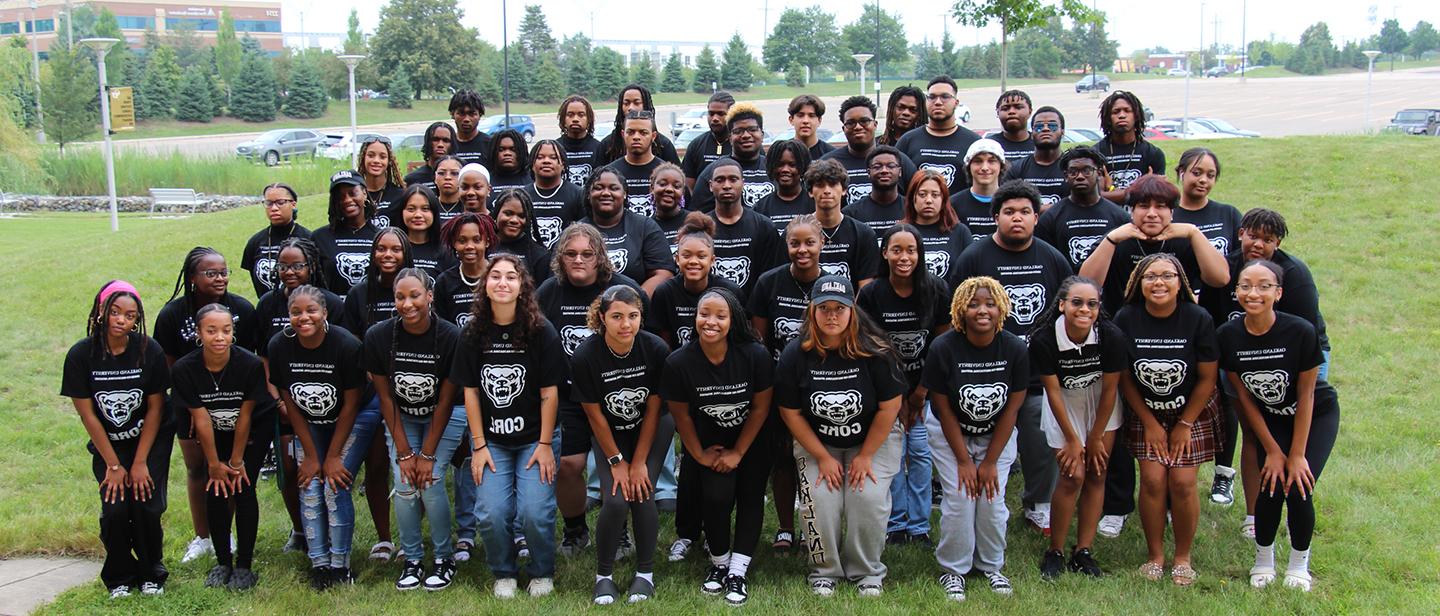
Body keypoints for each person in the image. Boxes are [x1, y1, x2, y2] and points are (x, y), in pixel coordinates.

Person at [949, 180, 1074, 536]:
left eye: (1024, 212)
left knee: (1039, 436)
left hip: (1036, 374)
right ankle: (968, 494)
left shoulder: (1052, 258)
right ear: (995, 217)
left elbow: (1063, 316)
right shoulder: (974, 258)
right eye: (1008, 212)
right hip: (982, 373)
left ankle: (1038, 503)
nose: (1016, 219)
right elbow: (958, 312)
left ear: (1036, 217)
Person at [775, 275, 906, 597]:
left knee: (867, 498)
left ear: (852, 311)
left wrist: (864, 457)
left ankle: (867, 571)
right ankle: (825, 569)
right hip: (818, 441)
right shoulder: (795, 354)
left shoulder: (875, 351)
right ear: (812, 312)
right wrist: (821, 457)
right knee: (819, 499)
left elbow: (890, 409)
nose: (831, 315)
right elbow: (790, 413)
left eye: (839, 308)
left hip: (873, 440)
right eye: (824, 309)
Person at [1200, 208, 1330, 529]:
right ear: (1240, 233)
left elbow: (1307, 334)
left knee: (1290, 432)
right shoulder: (1225, 268)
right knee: (1256, 435)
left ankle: (1294, 499)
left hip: (1295, 359)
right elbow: (1210, 319)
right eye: (1253, 236)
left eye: (1267, 239)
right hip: (1241, 358)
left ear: (1278, 243)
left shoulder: (1294, 275)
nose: (1258, 244)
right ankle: (1255, 516)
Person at [1218, 260, 1339, 592]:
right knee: (1269, 487)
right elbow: (1242, 398)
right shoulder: (1227, 336)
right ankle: (1263, 560)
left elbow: (1307, 394)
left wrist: (1296, 454)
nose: (1253, 292)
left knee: (1299, 485)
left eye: (1263, 286)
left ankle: (1299, 566)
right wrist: (1271, 449)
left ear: (1278, 293)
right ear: (1237, 291)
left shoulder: (1300, 331)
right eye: (1245, 286)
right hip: (1269, 418)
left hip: (1315, 415)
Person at [452, 254, 564, 599]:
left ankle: (541, 571)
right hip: (492, 442)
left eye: (511, 277)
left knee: (535, 511)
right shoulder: (472, 332)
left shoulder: (541, 330)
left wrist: (545, 445)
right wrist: (478, 445)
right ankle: (504, 571)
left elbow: (550, 393)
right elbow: (470, 393)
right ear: (484, 285)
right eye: (495, 276)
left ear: (522, 286)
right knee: (490, 512)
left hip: (536, 439)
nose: (503, 282)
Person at [536, 224, 647, 556]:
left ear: (600, 256)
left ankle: (620, 528)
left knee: (619, 462)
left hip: (616, 393)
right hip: (567, 395)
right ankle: (575, 529)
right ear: (560, 257)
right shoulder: (548, 293)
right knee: (568, 464)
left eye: (587, 253)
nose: (579, 260)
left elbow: (642, 341)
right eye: (570, 254)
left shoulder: (625, 289)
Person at [1113, 254, 1222, 586]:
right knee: (1152, 480)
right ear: (1138, 283)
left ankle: (1183, 557)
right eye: (1150, 276)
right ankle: (1155, 555)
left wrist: (1184, 425)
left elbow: (1207, 378)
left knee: (1183, 483)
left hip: (1192, 411)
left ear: (1181, 283)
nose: (1158, 282)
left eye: (1167, 276)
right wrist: (1148, 422)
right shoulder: (1126, 317)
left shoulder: (1198, 317)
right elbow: (1125, 377)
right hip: (1146, 410)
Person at [663, 288, 775, 606]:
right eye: (704, 314)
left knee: (750, 497)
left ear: (733, 319)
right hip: (709, 443)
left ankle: (738, 571)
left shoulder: (754, 355)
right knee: (716, 497)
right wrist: (697, 454)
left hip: (752, 441)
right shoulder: (679, 362)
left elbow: (760, 408)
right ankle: (719, 565)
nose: (710, 321)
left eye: (720, 316)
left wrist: (739, 452)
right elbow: (681, 414)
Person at [922, 276, 1029, 601]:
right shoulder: (944, 347)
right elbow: (942, 408)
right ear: (960, 309)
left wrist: (991, 462)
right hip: (949, 432)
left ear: (1001, 309)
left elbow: (1012, 409)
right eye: (973, 304)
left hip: (996, 433)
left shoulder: (1013, 347)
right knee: (959, 499)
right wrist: (966, 463)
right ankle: (954, 569)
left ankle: (991, 565)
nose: (982, 310)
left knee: (992, 500)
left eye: (990, 303)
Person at [62, 281, 171, 599]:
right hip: (109, 444)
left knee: (147, 506)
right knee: (115, 509)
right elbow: (88, 416)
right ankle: (119, 576)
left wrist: (139, 463)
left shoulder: (148, 350)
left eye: (130, 315)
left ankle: (152, 572)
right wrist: (113, 464)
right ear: (101, 311)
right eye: (115, 312)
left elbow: (155, 408)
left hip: (149, 441)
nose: (122, 319)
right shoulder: (81, 354)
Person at [363, 268, 466, 591]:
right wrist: (406, 452)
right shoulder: (378, 336)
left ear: (429, 296)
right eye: (400, 297)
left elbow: (447, 401)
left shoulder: (451, 336)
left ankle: (444, 558)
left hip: (447, 414)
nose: (407, 304)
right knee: (406, 482)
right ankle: (412, 558)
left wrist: (427, 454)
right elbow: (385, 397)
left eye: (415, 295)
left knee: (431, 480)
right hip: (402, 415)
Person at [572, 286, 676, 604]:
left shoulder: (655, 348)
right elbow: (594, 416)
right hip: (609, 431)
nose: (625, 324)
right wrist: (618, 462)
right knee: (616, 500)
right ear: (602, 317)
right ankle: (604, 577)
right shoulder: (586, 355)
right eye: (617, 316)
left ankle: (645, 574)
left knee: (642, 492)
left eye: (633, 316)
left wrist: (639, 462)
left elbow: (655, 409)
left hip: (652, 428)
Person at [265, 285, 372, 590]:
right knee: (309, 485)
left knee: (334, 485)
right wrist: (312, 456)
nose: (303, 317)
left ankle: (340, 566)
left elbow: (352, 404)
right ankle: (319, 565)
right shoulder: (279, 346)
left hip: (354, 416)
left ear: (325, 313)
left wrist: (333, 456)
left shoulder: (346, 344)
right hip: (308, 418)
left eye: (311, 310)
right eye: (295, 312)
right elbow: (290, 403)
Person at [153, 247, 256, 565]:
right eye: (211, 273)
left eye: (224, 272)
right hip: (190, 403)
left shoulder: (241, 308)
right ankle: (203, 536)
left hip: (235, 405)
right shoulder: (172, 314)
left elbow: (250, 358)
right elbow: (166, 364)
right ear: (192, 278)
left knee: (232, 468)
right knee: (199, 468)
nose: (220, 277)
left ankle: (227, 533)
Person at [857, 224, 951, 546]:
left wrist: (920, 394)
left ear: (920, 254)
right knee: (894, 455)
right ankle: (896, 523)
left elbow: (941, 345)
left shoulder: (936, 289)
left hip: (926, 389)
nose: (904, 257)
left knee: (921, 454)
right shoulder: (871, 294)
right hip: (888, 392)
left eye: (911, 250)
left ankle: (920, 524)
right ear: (885, 253)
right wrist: (898, 397)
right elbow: (871, 348)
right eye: (896, 250)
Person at [1027, 276, 1125, 579]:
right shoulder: (1044, 339)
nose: (1085, 309)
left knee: (1097, 472)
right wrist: (1072, 439)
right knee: (1072, 476)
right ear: (1062, 305)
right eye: (1077, 302)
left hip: (1101, 405)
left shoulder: (1110, 335)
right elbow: (1053, 392)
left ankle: (1083, 550)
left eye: (1092, 304)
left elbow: (1110, 389)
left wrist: (1095, 436)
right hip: (1064, 405)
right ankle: (1054, 550)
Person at [172, 303, 275, 591]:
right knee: (215, 487)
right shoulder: (185, 369)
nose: (219, 337)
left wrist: (237, 461)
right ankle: (222, 562)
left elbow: (245, 415)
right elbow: (201, 419)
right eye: (211, 330)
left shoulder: (249, 364)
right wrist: (215, 464)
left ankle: (244, 565)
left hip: (252, 431)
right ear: (198, 333)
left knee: (242, 487)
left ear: (233, 333)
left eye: (226, 331)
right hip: (214, 431)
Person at [252, 238, 343, 553]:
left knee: (328, 468)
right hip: (284, 403)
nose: (289, 272)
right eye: (283, 266)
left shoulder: (333, 302)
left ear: (312, 266)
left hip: (326, 402)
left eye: (297, 265)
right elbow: (263, 357)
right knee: (291, 467)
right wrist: (277, 399)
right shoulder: (267, 304)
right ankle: (300, 530)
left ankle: (331, 533)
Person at [746, 214, 825, 555]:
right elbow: (759, 341)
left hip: (822, 386)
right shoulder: (769, 282)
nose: (802, 249)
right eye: (795, 243)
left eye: (810, 242)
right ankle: (785, 527)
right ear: (786, 245)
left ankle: (814, 526)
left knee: (813, 458)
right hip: (779, 385)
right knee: (783, 459)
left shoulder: (832, 284)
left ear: (823, 244)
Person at [1079, 174, 1230, 326]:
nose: (1152, 214)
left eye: (1160, 206)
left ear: (1172, 212)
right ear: (1132, 211)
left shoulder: (1185, 240)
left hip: (1178, 326)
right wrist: (1110, 240)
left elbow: (1220, 279)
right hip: (1122, 326)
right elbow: (1086, 284)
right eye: (1144, 206)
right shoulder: (1115, 240)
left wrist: (1194, 233)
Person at [649, 214, 744, 348]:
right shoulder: (665, 292)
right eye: (686, 255)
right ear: (677, 259)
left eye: (701, 256)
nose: (693, 261)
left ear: (712, 260)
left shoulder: (730, 292)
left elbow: (740, 338)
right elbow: (664, 343)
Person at [581, 167, 676, 295]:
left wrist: (633, 302)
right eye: (598, 188)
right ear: (588, 194)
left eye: (614, 188)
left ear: (625, 193)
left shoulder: (645, 227)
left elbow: (664, 273)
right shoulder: (577, 231)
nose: (606, 193)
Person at [1035, 146, 1129, 271]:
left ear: (1099, 173)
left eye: (1087, 170)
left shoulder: (1120, 217)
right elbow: (1046, 263)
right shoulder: (1050, 218)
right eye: (1073, 171)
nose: (1080, 176)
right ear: (1066, 176)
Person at [703, 158, 783, 299]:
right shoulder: (701, 227)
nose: (727, 185)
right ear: (710, 185)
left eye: (733, 179)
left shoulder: (765, 226)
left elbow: (771, 279)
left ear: (743, 183)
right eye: (720, 180)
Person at [821, 96, 918, 205]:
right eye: (850, 123)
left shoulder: (898, 160)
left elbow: (916, 199)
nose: (858, 127)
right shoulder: (828, 163)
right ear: (843, 129)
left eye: (864, 121)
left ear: (875, 125)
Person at [896, 76, 982, 193]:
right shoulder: (907, 140)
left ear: (956, 103)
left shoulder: (974, 142)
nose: (938, 102)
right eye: (932, 97)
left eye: (945, 97)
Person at [807, 159, 881, 288]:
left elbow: (865, 289)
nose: (827, 190)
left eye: (833, 184)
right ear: (810, 191)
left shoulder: (864, 234)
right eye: (820, 185)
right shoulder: (795, 233)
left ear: (844, 190)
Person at [690, 104, 774, 211]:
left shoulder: (774, 169)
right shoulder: (713, 171)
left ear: (762, 134)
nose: (746, 135)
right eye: (738, 131)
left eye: (752, 129)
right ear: (730, 138)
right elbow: (698, 215)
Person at [312, 171, 379, 297]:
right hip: (333, 313)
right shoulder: (319, 238)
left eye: (352, 193)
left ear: (364, 193)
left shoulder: (381, 237)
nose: (347, 200)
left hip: (371, 314)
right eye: (340, 196)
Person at [901, 169, 972, 281]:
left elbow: (970, 277)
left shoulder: (960, 232)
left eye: (935, 195)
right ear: (912, 198)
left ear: (943, 199)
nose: (928, 200)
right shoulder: (900, 232)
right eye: (922, 194)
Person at [1094, 91, 1165, 203]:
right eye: (1116, 112)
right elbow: (1095, 198)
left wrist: (1112, 191)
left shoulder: (1153, 154)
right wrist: (1143, 187)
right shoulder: (1095, 154)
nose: (1122, 115)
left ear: (1136, 116)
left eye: (1127, 111)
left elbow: (1158, 196)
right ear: (1108, 118)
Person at [241, 183, 309, 297]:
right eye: (269, 203)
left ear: (293, 204)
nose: (274, 208)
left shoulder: (308, 238)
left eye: (280, 202)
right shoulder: (255, 242)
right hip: (267, 309)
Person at [342, 228, 414, 334]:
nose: (388, 254)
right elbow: (351, 337)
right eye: (381, 249)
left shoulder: (416, 291)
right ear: (373, 254)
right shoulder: (357, 293)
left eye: (396, 249)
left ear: (406, 254)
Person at [1172, 147, 1242, 255]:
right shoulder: (1167, 215)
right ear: (1182, 173)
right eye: (1196, 173)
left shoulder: (1229, 214)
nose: (1203, 180)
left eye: (1210, 176)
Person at [598, 84, 681, 167]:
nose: (630, 107)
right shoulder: (608, 144)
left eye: (636, 103)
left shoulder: (663, 144)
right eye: (626, 103)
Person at [524, 139, 586, 249]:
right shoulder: (522, 195)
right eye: (540, 157)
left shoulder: (578, 194)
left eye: (553, 157)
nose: (546, 161)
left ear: (563, 164)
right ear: (532, 164)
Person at [604, 110, 666, 217]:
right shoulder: (609, 173)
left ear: (653, 136)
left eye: (643, 133)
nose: (636, 137)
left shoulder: (666, 172)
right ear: (623, 134)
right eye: (631, 132)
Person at [1005, 106, 1068, 208]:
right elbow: (1008, 206)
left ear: (1062, 131)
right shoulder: (1016, 169)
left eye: (1052, 126)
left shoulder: (1072, 168)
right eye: (1039, 127)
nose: (1045, 129)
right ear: (1032, 133)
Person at [949, 140, 1010, 243]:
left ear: (1001, 166)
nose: (985, 168)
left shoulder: (1011, 202)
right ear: (969, 166)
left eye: (991, 161)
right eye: (978, 161)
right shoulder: (952, 204)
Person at [490, 189, 554, 285]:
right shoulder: (483, 248)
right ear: (496, 213)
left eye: (521, 216)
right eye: (508, 213)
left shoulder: (540, 256)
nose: (514, 220)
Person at [843, 145, 909, 237]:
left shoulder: (911, 208)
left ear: (900, 171)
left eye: (891, 166)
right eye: (877, 166)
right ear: (868, 172)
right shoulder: (851, 214)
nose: (884, 170)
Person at [754, 139, 814, 236]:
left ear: (802, 167)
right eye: (780, 164)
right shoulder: (760, 207)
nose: (785, 169)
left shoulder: (814, 203)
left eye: (792, 165)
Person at [682, 91, 737, 189]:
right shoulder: (696, 145)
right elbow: (688, 186)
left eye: (721, 114)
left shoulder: (741, 145)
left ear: (732, 115)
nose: (715, 118)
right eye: (711, 114)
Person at [394, 185, 449, 277]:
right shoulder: (393, 248)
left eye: (425, 209)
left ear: (434, 212)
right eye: (411, 209)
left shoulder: (446, 251)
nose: (418, 215)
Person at [357, 136, 407, 228]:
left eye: (382, 157)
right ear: (363, 158)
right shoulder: (354, 195)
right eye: (371, 155)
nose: (376, 160)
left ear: (389, 161)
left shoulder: (401, 196)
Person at [557, 95, 606, 188]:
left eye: (581, 115)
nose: (575, 119)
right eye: (570, 115)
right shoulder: (555, 148)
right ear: (563, 119)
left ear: (589, 119)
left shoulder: (600, 148)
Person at [403, 121, 457, 191]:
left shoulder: (460, 176)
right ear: (428, 142)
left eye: (446, 140)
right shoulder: (413, 179)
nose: (440, 144)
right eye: (435, 140)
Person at [986, 90, 1036, 162]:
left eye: (1018, 107)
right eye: (1005, 108)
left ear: (1030, 111)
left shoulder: (1040, 144)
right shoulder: (989, 145)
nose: (1011, 111)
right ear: (997, 113)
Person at [649, 163, 691, 247]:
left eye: (676, 186)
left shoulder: (693, 221)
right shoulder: (646, 226)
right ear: (652, 188)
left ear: (683, 192)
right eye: (662, 184)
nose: (669, 189)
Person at [487, 128, 532, 202]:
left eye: (513, 149)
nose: (507, 153)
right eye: (501, 149)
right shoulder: (486, 181)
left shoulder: (533, 180)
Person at [448, 89, 491, 167]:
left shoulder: (490, 145)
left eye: (472, 114)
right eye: (461, 113)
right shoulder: (447, 144)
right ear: (452, 114)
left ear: (480, 115)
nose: (466, 119)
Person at [787, 94, 836, 160]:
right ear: (791, 120)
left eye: (811, 116)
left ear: (819, 120)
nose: (805, 121)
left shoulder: (831, 155)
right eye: (800, 115)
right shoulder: (781, 153)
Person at [432, 156, 466, 223]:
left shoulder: (469, 206)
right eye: (441, 173)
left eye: (455, 173)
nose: (448, 177)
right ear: (435, 178)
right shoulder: (429, 205)